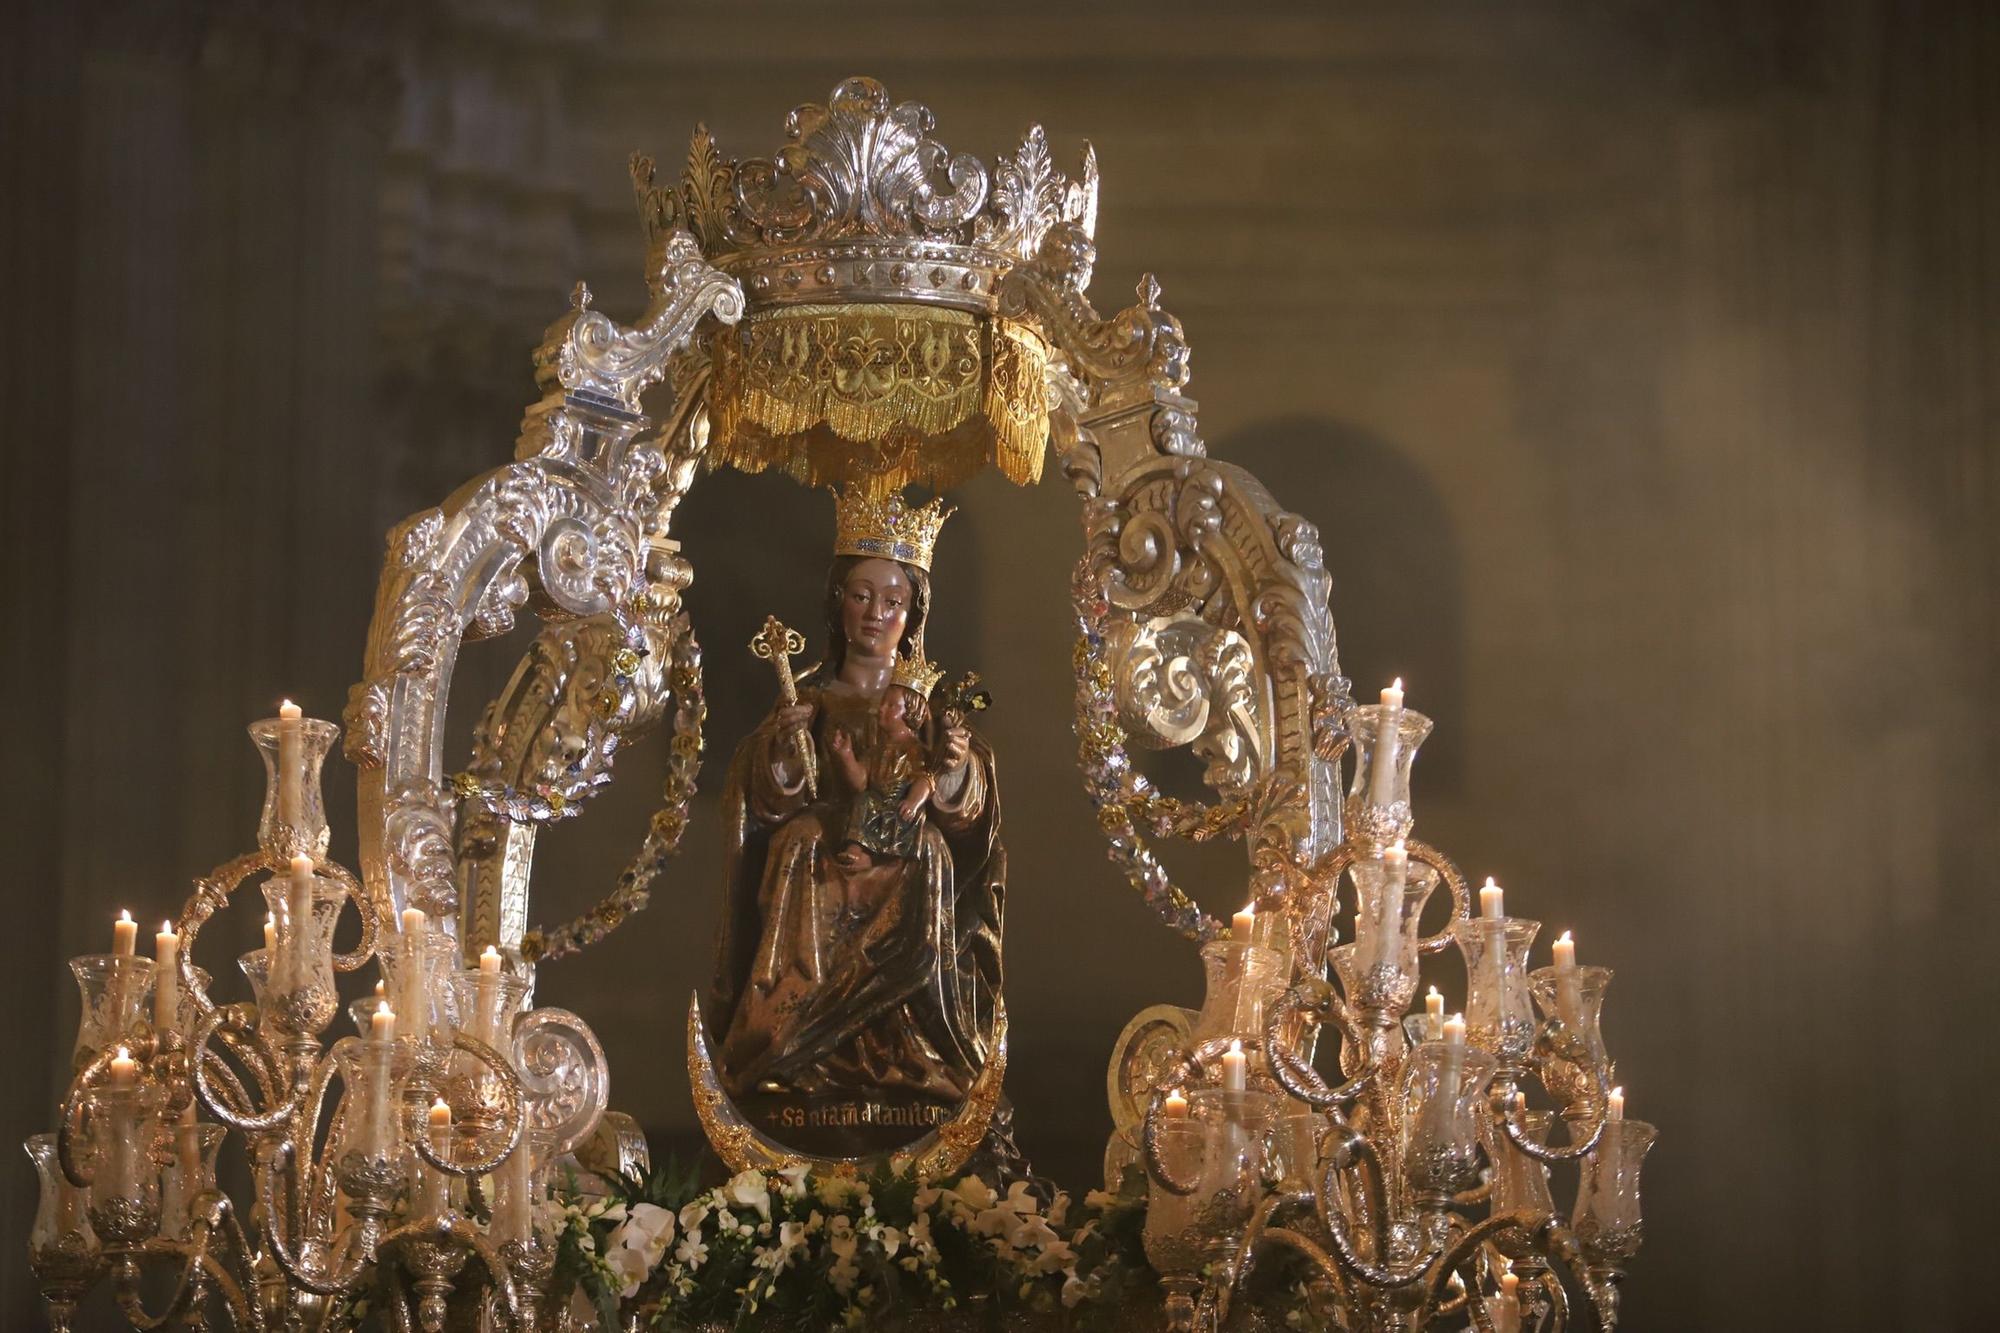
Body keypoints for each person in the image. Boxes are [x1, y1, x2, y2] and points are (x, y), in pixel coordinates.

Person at [710, 492, 1003, 1111]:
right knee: (798, 842)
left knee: (927, 851)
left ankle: (913, 1046)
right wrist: (787, 748)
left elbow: (967, 808)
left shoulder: (928, 705)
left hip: (905, 842)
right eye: (861, 596)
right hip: (824, 845)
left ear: (913, 614)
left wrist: (950, 770)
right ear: (837, 602)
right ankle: (787, 1043)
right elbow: (767, 801)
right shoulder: (810, 695)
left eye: (893, 601)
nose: (875, 613)